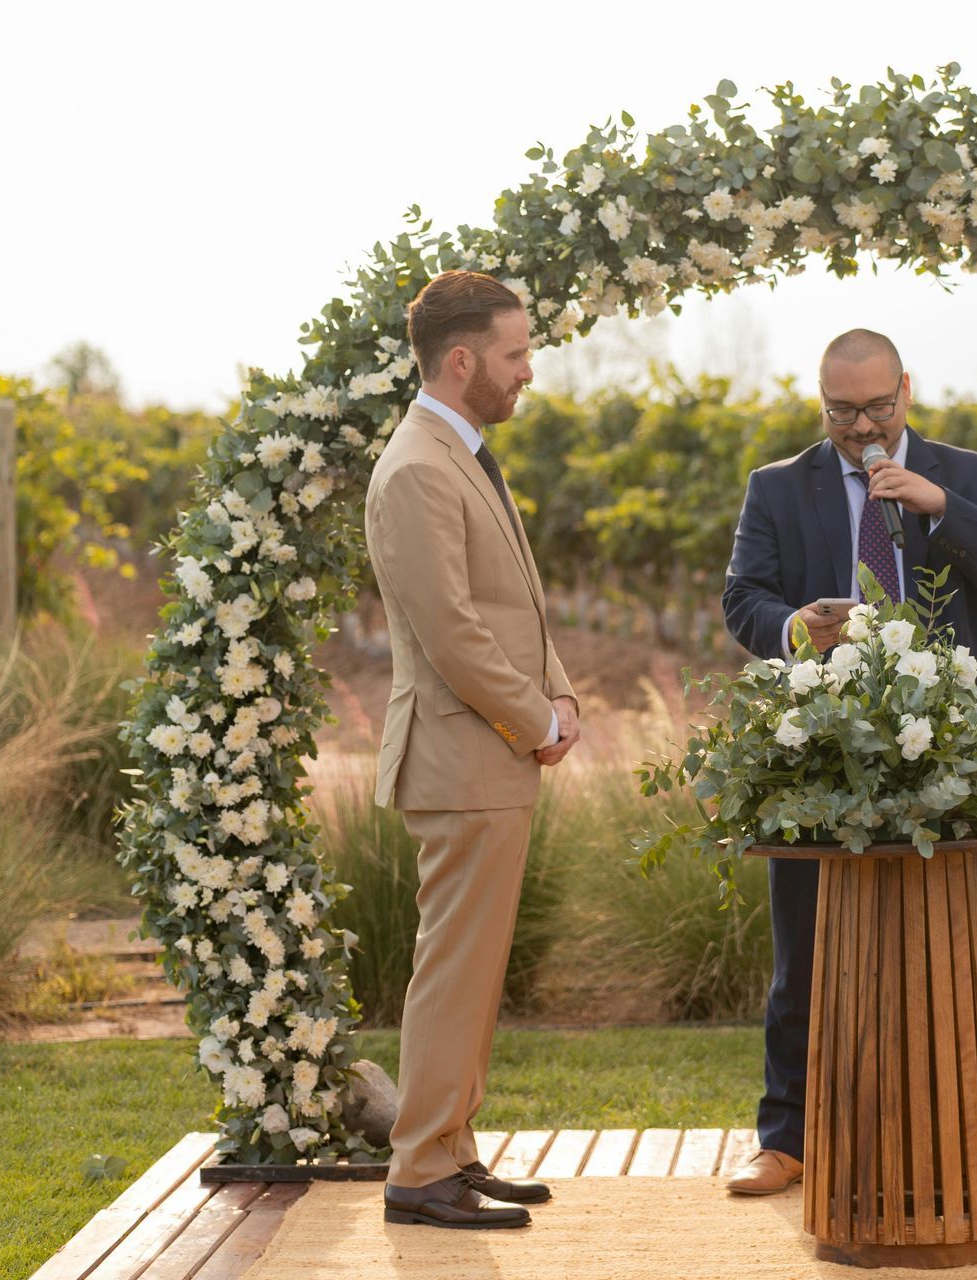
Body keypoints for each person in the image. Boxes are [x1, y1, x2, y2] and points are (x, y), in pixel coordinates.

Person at [719, 328, 977, 1195]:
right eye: (841, 412)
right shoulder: (779, 487)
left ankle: (947, 1136)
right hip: (821, 749)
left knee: (940, 957)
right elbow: (742, 597)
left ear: (905, 388)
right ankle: (786, 1138)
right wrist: (798, 627)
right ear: (820, 399)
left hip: (947, 753)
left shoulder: (969, 475)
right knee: (805, 947)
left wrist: (942, 505)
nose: (861, 429)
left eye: (876, 409)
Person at [365, 270, 582, 1231]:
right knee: (454, 969)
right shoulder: (416, 467)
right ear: (463, 361)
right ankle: (419, 1171)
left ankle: (449, 1151)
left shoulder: (462, 455)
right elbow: (451, 633)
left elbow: (513, 606)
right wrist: (536, 721)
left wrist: (562, 691)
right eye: (516, 353)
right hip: (460, 761)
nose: (528, 370)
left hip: (485, 759)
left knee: (472, 967)